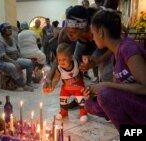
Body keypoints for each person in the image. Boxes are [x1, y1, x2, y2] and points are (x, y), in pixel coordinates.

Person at [83, 2, 146, 132]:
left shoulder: (128, 49)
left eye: (93, 33)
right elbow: (121, 89)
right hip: (136, 105)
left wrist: (107, 85)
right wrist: (93, 92)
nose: (92, 38)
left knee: (105, 94)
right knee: (89, 104)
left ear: (100, 32)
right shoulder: (115, 53)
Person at [43, 43, 88, 122]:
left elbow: (83, 69)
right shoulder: (59, 68)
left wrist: (85, 63)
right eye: (59, 60)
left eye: (64, 59)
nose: (61, 62)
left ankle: (83, 113)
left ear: (71, 57)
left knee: (81, 100)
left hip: (78, 87)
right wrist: (52, 86)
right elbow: (56, 79)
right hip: (66, 88)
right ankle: (64, 112)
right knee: (63, 98)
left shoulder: (76, 62)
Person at [0, 23, 34, 92]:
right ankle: (23, 85)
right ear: (3, 31)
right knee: (12, 66)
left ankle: (29, 83)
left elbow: (17, 51)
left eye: (10, 28)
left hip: (14, 59)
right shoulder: (0, 41)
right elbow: (4, 56)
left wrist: (21, 58)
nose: (10, 30)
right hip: (3, 62)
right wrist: (15, 63)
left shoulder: (12, 39)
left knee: (29, 62)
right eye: (8, 28)